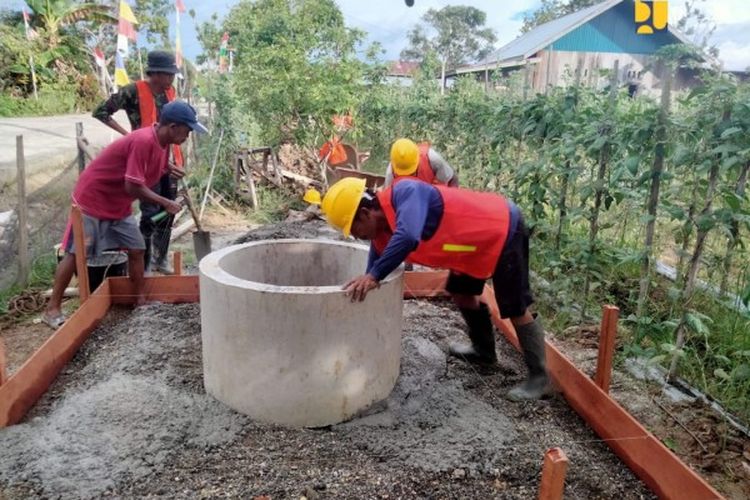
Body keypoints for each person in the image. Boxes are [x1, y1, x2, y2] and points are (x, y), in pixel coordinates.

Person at [313, 177, 549, 401]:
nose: (357, 237)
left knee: (515, 306)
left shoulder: (407, 193)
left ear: (365, 214)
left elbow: (407, 237)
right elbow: (372, 271)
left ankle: (539, 377)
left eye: (354, 230)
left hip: (501, 226)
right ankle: (484, 352)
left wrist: (374, 276)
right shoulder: (380, 234)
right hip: (466, 246)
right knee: (462, 293)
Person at [42, 101, 208, 329]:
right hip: (93, 199)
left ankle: (140, 301)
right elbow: (133, 187)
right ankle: (52, 309)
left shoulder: (162, 144)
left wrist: (168, 169)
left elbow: (146, 168)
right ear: (172, 126)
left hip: (117, 203)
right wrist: (164, 202)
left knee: (137, 249)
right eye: (187, 129)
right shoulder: (143, 141)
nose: (188, 135)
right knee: (76, 253)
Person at [92, 50, 183, 274]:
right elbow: (101, 112)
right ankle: (145, 263)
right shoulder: (132, 91)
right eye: (169, 75)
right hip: (142, 162)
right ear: (156, 74)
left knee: (169, 208)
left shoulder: (167, 94)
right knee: (150, 213)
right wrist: (128, 136)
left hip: (164, 160)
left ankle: (161, 258)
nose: (171, 80)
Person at [384, 138, 458, 187]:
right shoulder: (390, 173)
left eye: (411, 172)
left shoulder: (432, 159)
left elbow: (452, 178)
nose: (409, 175)